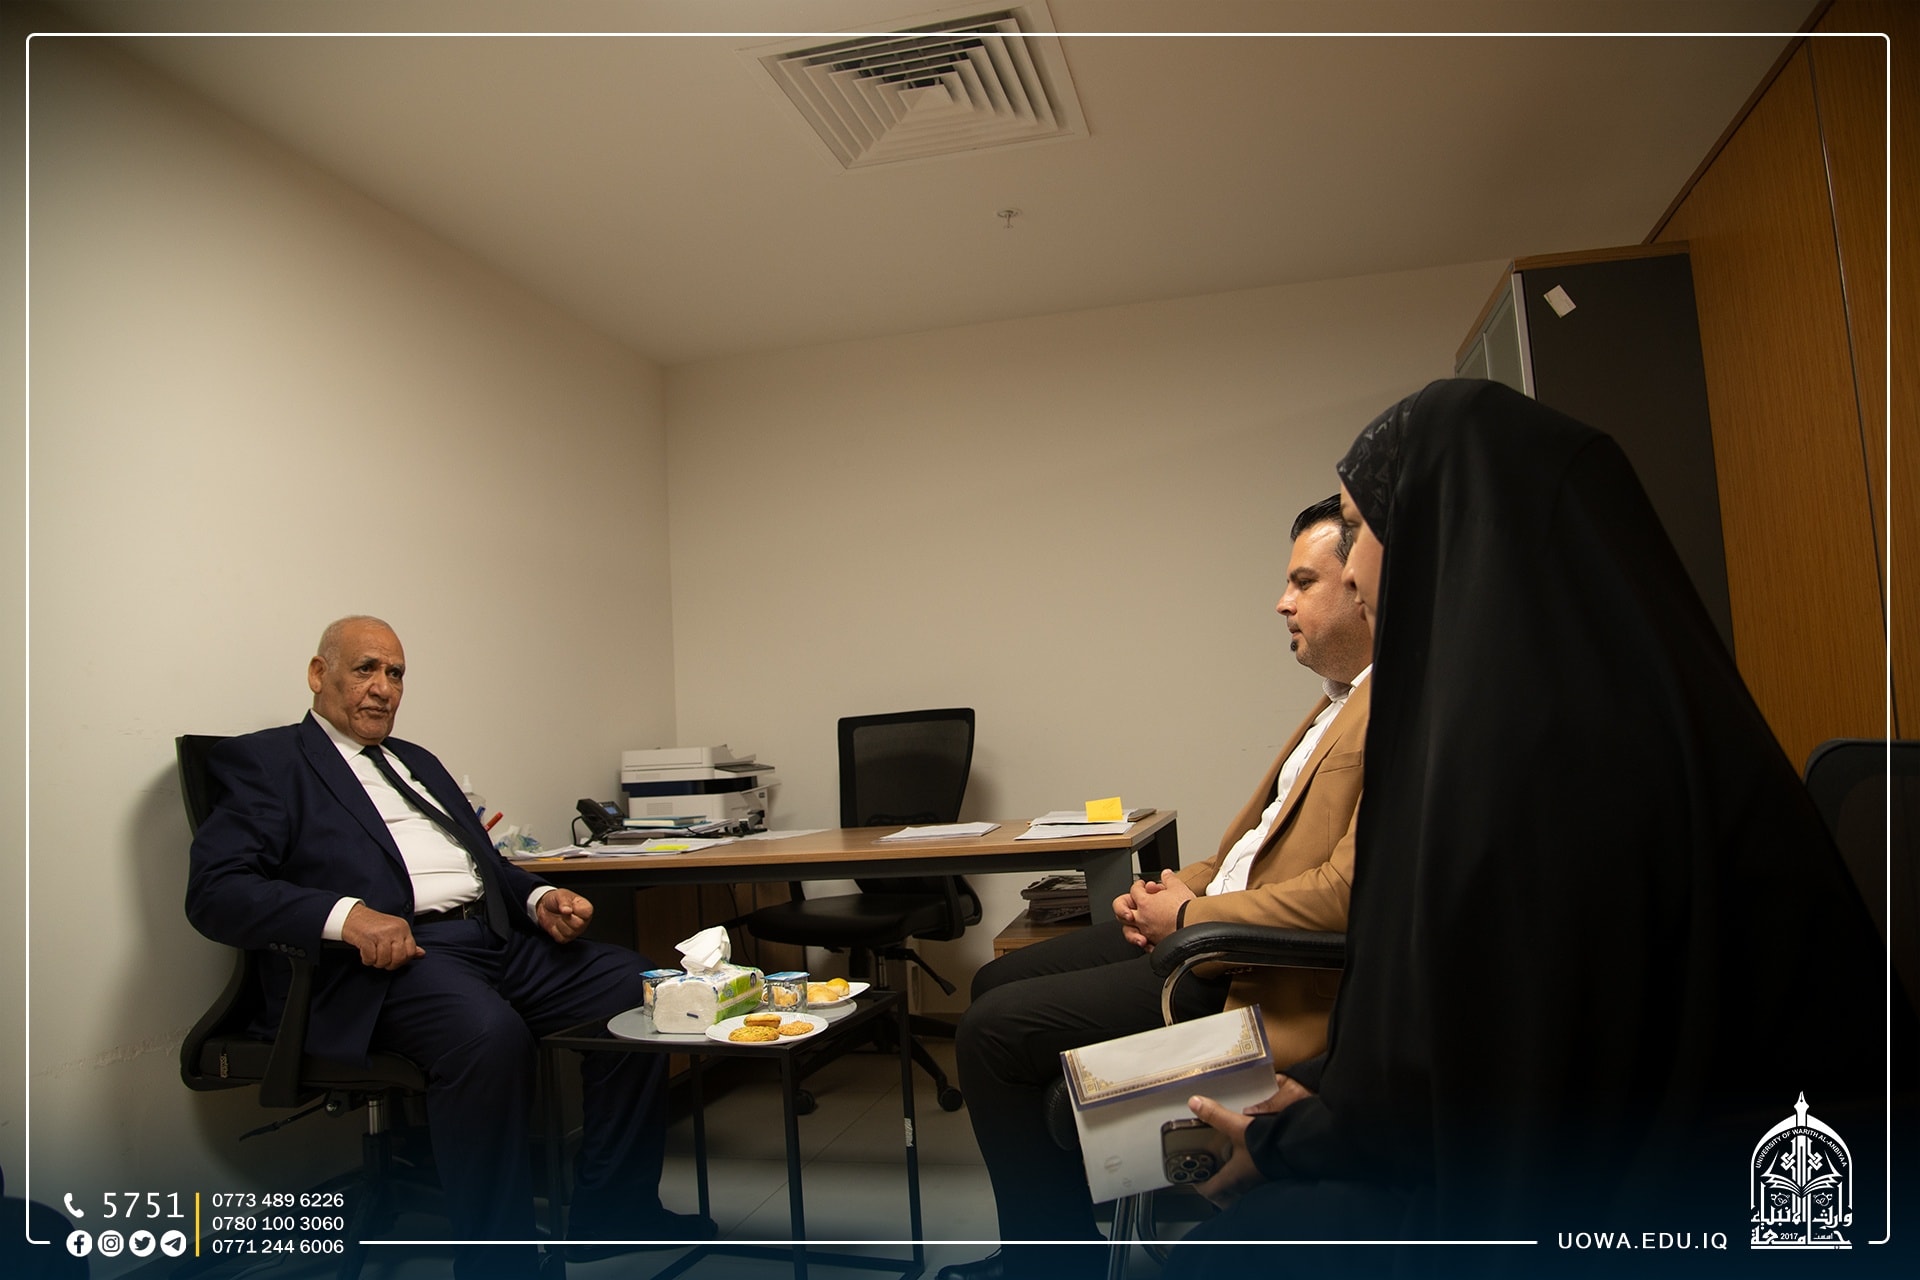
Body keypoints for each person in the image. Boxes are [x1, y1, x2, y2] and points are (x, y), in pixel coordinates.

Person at [1168, 379, 1885, 1276]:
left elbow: (1500, 1093)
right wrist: (1316, 1107)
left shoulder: (1537, 761)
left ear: (1454, 527)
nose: (1351, 571)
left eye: (1363, 527)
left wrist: (1293, 1142)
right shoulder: (1599, 711)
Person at [185, 616, 714, 1279]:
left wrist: (536, 898)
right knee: (487, 1037)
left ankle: (614, 1211)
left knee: (638, 989)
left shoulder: (416, 760)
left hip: (492, 939)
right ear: (319, 674)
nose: (383, 687)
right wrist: (347, 916)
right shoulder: (270, 762)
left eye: (395, 673)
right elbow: (216, 891)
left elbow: (485, 864)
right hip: (387, 961)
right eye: (365, 669)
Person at [937, 497, 1375, 1280]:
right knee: (996, 982)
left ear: (1362, 586)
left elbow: (1350, 891)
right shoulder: (1335, 701)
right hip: (1212, 929)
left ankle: (1050, 1269)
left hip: (1250, 970)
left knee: (992, 1034)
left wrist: (1193, 915)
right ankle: (1055, 1233)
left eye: (1303, 582)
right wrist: (1168, 892)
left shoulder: (1393, 707)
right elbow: (1253, 851)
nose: (1282, 602)